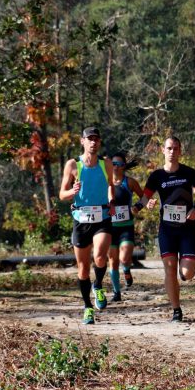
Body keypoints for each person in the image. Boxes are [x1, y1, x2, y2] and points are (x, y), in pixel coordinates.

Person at [132, 136, 195, 322]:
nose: (172, 152)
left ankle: (181, 277)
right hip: (167, 230)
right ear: (163, 151)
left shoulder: (189, 173)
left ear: (180, 151)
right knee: (169, 269)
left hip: (187, 229)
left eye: (176, 148)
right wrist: (136, 208)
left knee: (187, 274)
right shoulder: (157, 176)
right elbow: (145, 197)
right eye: (169, 148)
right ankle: (176, 310)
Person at [59, 127, 115, 325]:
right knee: (83, 269)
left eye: (96, 139)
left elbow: (110, 185)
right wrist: (72, 191)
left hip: (102, 216)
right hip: (81, 219)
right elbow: (61, 195)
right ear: (82, 141)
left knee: (100, 256)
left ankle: (98, 284)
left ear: (99, 142)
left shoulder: (105, 163)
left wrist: (111, 200)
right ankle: (87, 307)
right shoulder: (73, 165)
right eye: (89, 139)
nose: (93, 142)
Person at [107, 152, 144, 300]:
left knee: (124, 258)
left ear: (124, 167)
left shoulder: (130, 182)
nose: (116, 167)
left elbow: (144, 197)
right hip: (109, 227)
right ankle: (117, 293)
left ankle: (127, 269)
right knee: (113, 261)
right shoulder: (105, 182)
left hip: (126, 227)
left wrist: (137, 207)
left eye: (119, 164)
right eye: (113, 164)